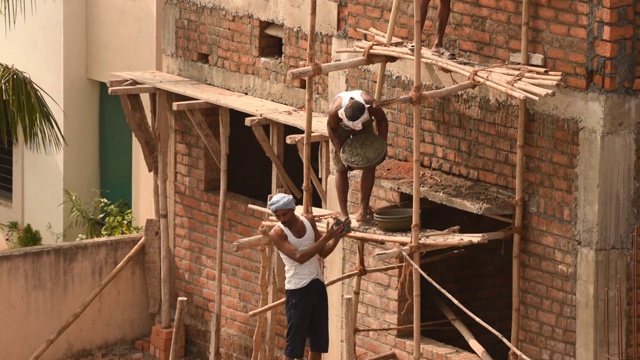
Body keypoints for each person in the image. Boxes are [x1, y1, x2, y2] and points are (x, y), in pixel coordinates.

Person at [267, 193, 346, 360]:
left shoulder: (308, 221)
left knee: (318, 341)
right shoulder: (277, 233)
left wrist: (337, 236)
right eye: (278, 215)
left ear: (292, 210)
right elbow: (299, 257)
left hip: (317, 283)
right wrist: (328, 237)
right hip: (297, 290)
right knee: (294, 344)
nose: (282, 219)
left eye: (285, 214)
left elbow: (322, 252)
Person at [327, 90, 388, 224]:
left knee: (370, 163)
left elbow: (382, 120)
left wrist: (382, 145)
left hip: (365, 126)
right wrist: (340, 152)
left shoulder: (371, 105)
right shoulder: (335, 112)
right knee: (341, 168)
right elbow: (331, 129)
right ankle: (344, 214)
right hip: (340, 129)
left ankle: (363, 211)